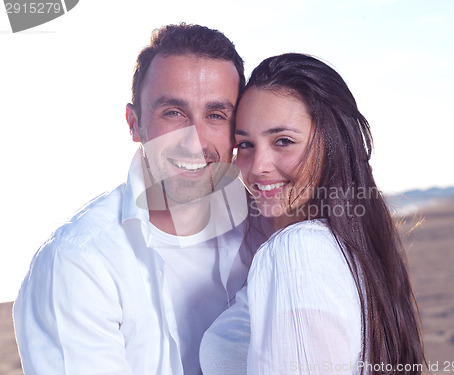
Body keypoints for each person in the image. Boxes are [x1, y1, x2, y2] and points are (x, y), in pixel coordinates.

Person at [13, 23, 268, 375]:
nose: (194, 141)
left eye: (215, 115)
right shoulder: (78, 263)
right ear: (134, 123)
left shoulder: (270, 226)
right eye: (173, 113)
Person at [200, 53, 425, 374]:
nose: (258, 166)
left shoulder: (296, 251)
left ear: (333, 143)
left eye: (283, 141)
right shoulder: (351, 249)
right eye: (245, 144)